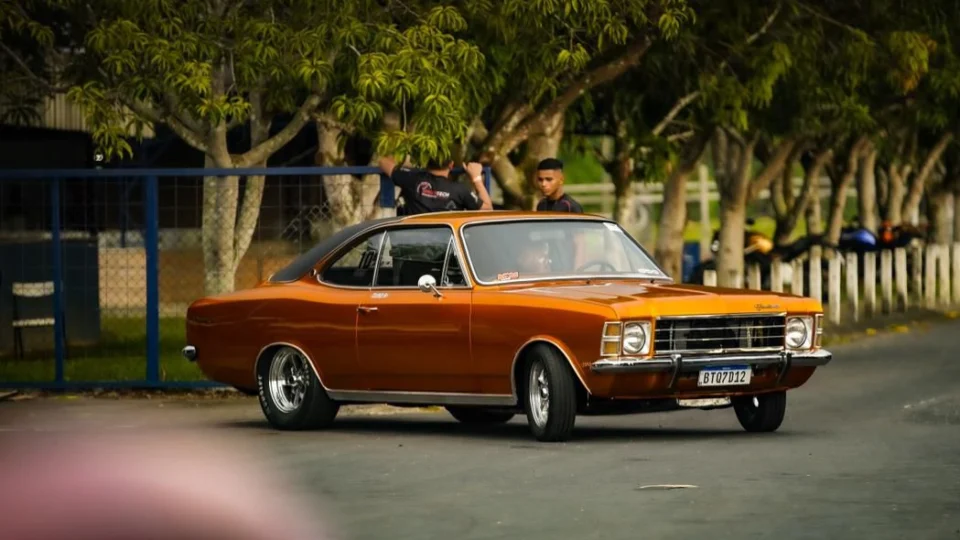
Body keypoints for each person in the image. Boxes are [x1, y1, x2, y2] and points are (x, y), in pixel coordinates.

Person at [378, 156, 494, 215]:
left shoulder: (412, 179)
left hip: (411, 247)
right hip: (444, 249)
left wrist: (407, 165)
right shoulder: (460, 190)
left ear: (427, 163)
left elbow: (383, 162)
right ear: (451, 165)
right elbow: (488, 209)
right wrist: (476, 178)